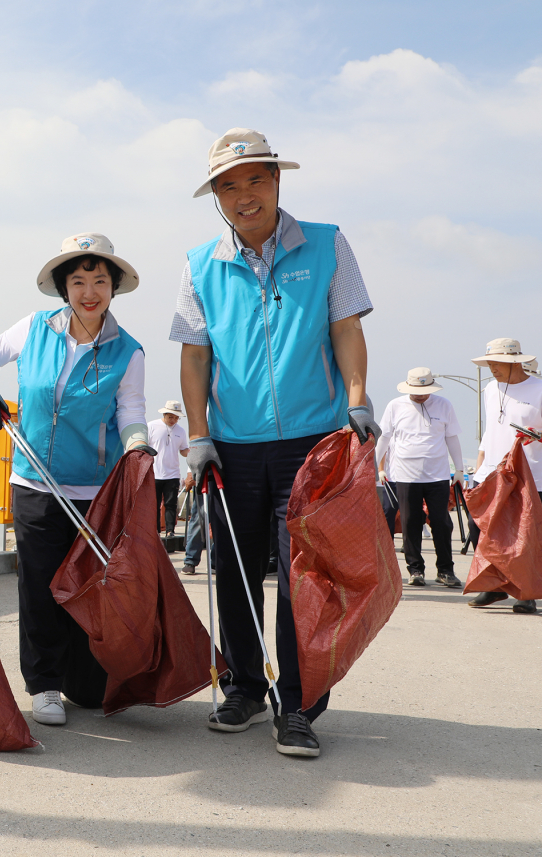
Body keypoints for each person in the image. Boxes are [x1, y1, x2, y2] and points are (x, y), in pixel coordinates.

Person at [170, 128, 377, 758]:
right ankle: (243, 686)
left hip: (311, 443)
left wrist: (358, 398)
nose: (244, 195)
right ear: (217, 199)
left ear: (278, 181)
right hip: (231, 445)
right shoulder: (201, 263)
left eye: (255, 179)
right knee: (233, 569)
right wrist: (198, 434)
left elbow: (344, 328)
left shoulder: (326, 243)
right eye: (228, 186)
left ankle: (300, 705)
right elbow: (194, 358)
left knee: (299, 577)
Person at [0, 233, 150, 726]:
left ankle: (81, 677)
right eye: (78, 281)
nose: (89, 291)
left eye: (99, 281)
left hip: (94, 493)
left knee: (89, 589)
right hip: (34, 483)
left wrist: (138, 445)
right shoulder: (34, 328)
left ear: (114, 289)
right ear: (63, 288)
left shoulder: (129, 351)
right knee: (39, 587)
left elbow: (131, 411)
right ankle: (44, 684)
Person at [466, 338, 542, 614]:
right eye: (489, 363)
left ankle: (525, 592)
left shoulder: (539, 388)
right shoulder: (489, 388)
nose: (492, 368)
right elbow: (490, 429)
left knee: (525, 535)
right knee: (481, 529)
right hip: (491, 472)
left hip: (531, 473)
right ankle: (495, 586)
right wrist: (479, 465)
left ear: (514, 362)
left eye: (497, 363)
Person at [374, 368, 465, 587]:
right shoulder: (395, 406)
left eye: (424, 391)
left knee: (442, 522)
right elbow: (384, 438)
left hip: (438, 475)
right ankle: (415, 570)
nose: (420, 395)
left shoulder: (444, 405)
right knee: (410, 522)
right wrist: (375, 468)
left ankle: (445, 570)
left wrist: (460, 469)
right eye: (416, 391)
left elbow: (452, 437)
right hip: (404, 475)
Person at [149, 401, 189, 537]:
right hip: (154, 473)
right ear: (165, 414)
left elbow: (183, 450)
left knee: (170, 504)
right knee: (153, 505)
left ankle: (170, 531)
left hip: (172, 474)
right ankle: (154, 531)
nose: (174, 420)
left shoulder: (181, 431)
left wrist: (194, 452)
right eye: (171, 417)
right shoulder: (152, 426)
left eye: (177, 417)